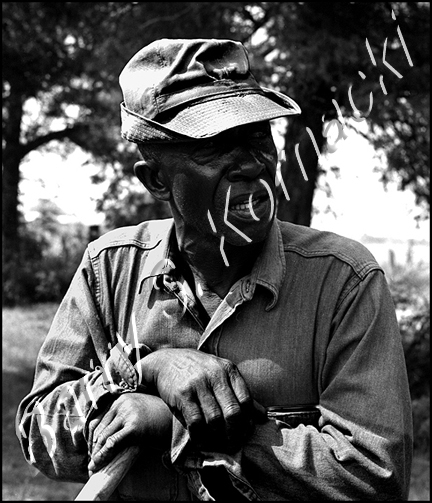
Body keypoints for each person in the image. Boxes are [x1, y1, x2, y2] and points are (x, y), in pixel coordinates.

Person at [16, 38, 413, 501]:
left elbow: (375, 476)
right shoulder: (109, 269)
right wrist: (145, 372)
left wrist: (182, 427)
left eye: (259, 137)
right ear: (156, 179)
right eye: (215, 146)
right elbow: (40, 434)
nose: (250, 164)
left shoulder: (344, 281)